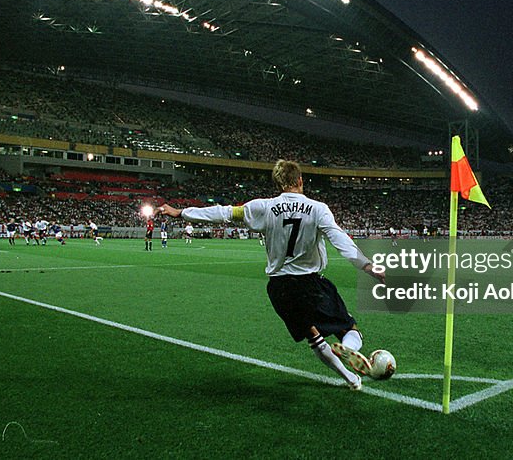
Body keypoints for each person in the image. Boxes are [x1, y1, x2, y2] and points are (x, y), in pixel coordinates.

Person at [159, 160, 385, 391]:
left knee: (314, 338)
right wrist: (367, 266)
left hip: (279, 289)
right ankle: (350, 349)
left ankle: (351, 378)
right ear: (299, 180)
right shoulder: (318, 208)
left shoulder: (263, 207)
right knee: (349, 329)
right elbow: (339, 239)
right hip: (310, 284)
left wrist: (180, 213)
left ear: (278, 182)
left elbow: (223, 212)